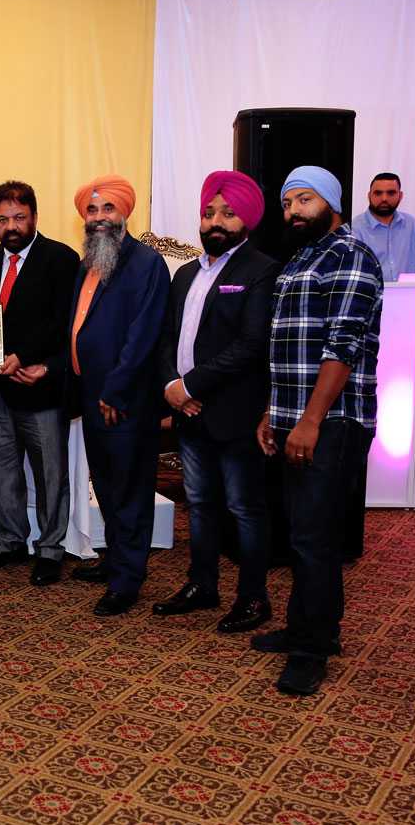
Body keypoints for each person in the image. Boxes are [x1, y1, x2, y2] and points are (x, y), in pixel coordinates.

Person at [256, 165, 382, 696]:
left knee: (315, 537)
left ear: (331, 202)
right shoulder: (303, 257)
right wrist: (274, 413)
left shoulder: (351, 256)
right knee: (301, 532)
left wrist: (309, 421)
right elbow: (286, 346)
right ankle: (308, 627)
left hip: (333, 421)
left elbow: (342, 346)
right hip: (295, 417)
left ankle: (312, 651)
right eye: (288, 203)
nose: (293, 211)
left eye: (305, 200)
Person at [155, 170, 278, 631]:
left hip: (235, 413)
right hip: (189, 413)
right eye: (209, 213)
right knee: (200, 504)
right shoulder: (186, 273)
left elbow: (250, 345)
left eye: (228, 213)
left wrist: (190, 386)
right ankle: (202, 585)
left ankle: (254, 598)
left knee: (244, 508)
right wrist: (172, 386)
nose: (216, 222)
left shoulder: (261, 270)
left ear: (247, 219)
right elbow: (167, 338)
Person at [0, 181, 80, 586]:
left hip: (40, 387)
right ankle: (9, 541)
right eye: (2, 219)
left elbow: (64, 323)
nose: (11, 226)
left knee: (50, 474)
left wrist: (30, 358)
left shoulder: (61, 259)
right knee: (1, 472)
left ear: (34, 216)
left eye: (19, 217)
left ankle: (50, 549)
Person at [66, 175, 170, 616]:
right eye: (92, 210)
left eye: (107, 208)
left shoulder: (146, 264)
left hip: (124, 399)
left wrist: (116, 389)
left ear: (125, 212)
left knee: (130, 489)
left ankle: (128, 580)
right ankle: (115, 560)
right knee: (107, 485)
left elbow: (144, 335)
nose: (99, 217)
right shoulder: (88, 263)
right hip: (94, 394)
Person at [350, 173, 415, 283]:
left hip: (407, 292)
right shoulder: (355, 228)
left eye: (391, 193)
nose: (384, 198)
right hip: (372, 293)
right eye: (378, 193)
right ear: (369, 196)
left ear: (400, 196)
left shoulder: (411, 225)